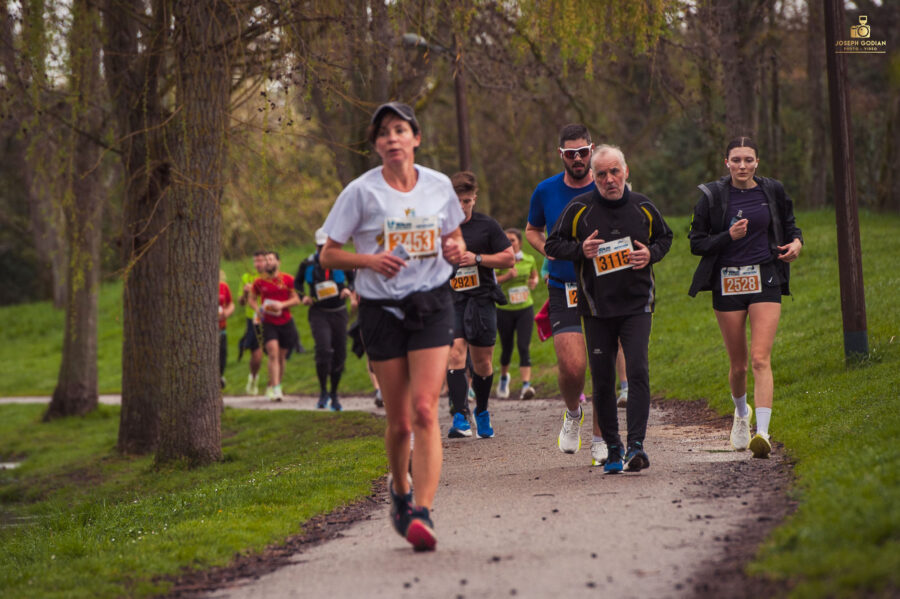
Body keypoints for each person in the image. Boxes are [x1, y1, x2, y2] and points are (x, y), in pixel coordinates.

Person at [318, 101, 465, 551]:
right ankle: (399, 489)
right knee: (399, 422)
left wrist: (456, 249)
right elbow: (328, 254)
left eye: (400, 130)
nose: (392, 138)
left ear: (415, 138)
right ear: (377, 145)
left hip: (432, 303)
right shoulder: (361, 193)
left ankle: (421, 511)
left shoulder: (440, 186)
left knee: (425, 411)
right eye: (384, 133)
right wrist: (369, 261)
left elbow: (453, 236)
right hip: (381, 310)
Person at [545, 144, 673, 473]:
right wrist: (580, 250)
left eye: (614, 171)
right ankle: (613, 449)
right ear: (593, 176)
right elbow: (552, 244)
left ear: (625, 172)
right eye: (601, 174)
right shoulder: (579, 209)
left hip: (636, 304)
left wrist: (651, 255)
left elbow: (665, 237)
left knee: (638, 372)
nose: (609, 179)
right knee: (602, 380)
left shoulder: (643, 206)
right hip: (596, 307)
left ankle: (637, 447)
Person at [688, 136, 803, 459]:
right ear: (726, 162)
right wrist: (729, 236)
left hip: (764, 276)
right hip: (727, 282)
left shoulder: (773, 191)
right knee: (738, 366)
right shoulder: (712, 196)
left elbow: (792, 227)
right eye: (736, 160)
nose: (742, 166)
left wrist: (796, 244)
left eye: (748, 160)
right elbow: (696, 243)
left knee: (760, 359)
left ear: (757, 162)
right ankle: (741, 416)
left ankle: (763, 433)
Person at [525, 123, 603, 465]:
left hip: (603, 285)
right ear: (561, 155)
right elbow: (531, 229)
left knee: (603, 366)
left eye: (582, 152)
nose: (577, 159)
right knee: (572, 368)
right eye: (570, 154)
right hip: (564, 286)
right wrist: (547, 250)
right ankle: (573, 414)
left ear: (592, 150)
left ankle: (602, 438)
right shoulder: (545, 190)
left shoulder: (606, 184)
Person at [446, 171, 515, 439]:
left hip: (482, 298)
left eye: (466, 201)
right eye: (456, 202)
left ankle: (482, 410)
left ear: (474, 199)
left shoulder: (487, 226)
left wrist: (477, 258)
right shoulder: (440, 228)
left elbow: (509, 259)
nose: (461, 207)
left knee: (483, 363)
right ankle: (460, 415)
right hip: (452, 299)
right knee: (455, 354)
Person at [296, 228, 354, 411]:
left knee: (340, 354)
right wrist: (302, 297)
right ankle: (323, 392)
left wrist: (348, 289)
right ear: (316, 246)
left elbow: (353, 279)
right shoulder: (307, 264)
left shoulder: (341, 261)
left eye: (327, 245)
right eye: (321, 246)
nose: (324, 249)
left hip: (338, 311)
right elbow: (297, 284)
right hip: (318, 312)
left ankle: (334, 394)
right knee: (323, 350)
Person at [248, 251, 301, 402]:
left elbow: (297, 299)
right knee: (273, 353)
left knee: (281, 357)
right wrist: (258, 309)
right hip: (268, 322)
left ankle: (274, 384)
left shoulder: (287, 279)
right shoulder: (259, 282)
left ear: (278, 262)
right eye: (266, 260)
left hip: (285, 321)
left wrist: (282, 305)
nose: (268, 262)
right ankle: (276, 389)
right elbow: (252, 299)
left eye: (271, 259)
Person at [495, 228, 539, 400]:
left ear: (519, 242)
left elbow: (534, 276)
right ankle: (504, 378)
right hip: (505, 309)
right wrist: (507, 277)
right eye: (506, 240)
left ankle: (526, 386)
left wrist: (534, 281)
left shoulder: (528, 259)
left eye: (512, 240)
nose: (509, 243)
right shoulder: (499, 260)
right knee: (506, 348)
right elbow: (492, 280)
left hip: (525, 308)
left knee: (523, 346)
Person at [238, 251, 267, 395]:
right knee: (256, 354)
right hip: (253, 318)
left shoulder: (271, 276)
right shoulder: (247, 277)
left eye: (261, 260)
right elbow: (241, 302)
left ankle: (274, 385)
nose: (258, 264)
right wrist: (244, 292)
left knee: (275, 351)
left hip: (271, 316)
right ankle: (253, 377)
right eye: (256, 261)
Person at [218, 271, 235, 388]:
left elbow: (231, 304)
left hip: (221, 326)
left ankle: (220, 375)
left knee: (222, 353)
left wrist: (226, 314)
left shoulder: (223, 287)